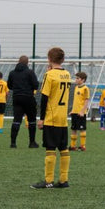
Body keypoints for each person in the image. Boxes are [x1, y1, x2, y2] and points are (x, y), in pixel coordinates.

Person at [31, 46, 71, 189]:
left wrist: (41, 118)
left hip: (52, 117)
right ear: (62, 59)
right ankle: (64, 180)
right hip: (63, 118)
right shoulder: (67, 74)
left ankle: (48, 181)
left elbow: (44, 98)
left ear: (49, 59)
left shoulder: (49, 75)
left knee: (50, 148)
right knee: (63, 148)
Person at [8, 55, 40, 149]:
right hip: (28, 98)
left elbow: (9, 86)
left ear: (18, 61)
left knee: (16, 120)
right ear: (27, 62)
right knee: (32, 120)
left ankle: (13, 143)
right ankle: (32, 142)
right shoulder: (30, 72)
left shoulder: (12, 73)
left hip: (17, 97)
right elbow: (36, 85)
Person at [71, 71, 90, 151]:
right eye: (76, 78)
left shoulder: (85, 89)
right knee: (73, 129)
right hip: (75, 112)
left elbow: (86, 101)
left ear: (83, 80)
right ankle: (72, 146)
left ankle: (83, 146)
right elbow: (76, 100)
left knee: (82, 129)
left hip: (81, 113)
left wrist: (82, 111)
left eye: (77, 78)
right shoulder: (76, 87)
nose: (76, 80)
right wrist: (72, 110)